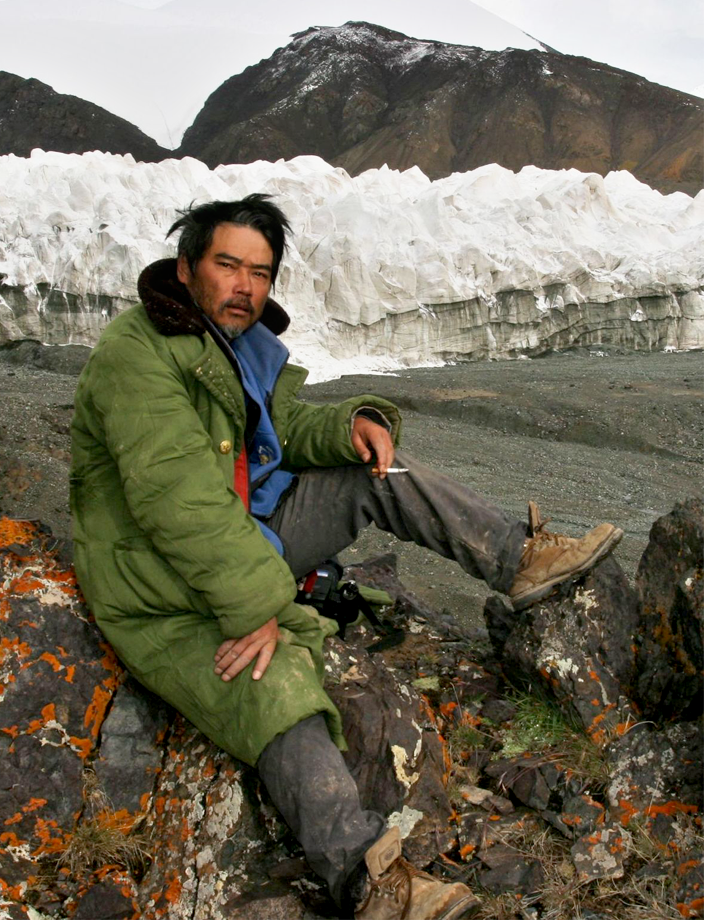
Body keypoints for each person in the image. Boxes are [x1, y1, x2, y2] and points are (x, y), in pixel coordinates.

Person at [69, 194, 623, 920]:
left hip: (249, 529)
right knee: (271, 680)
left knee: (378, 473)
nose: (244, 285)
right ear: (186, 268)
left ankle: (519, 558)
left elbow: (283, 425)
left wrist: (354, 423)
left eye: (259, 272)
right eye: (227, 264)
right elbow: (181, 507)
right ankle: (369, 883)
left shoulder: (233, 340)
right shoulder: (135, 358)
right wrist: (261, 605)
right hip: (157, 578)